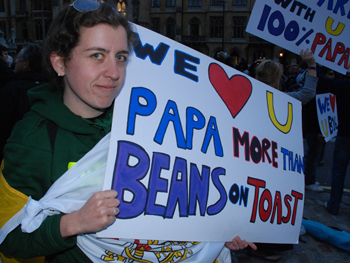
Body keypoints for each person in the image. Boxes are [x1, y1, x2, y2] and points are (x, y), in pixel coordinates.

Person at [0, 1, 255, 262]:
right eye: (97, 55)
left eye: (120, 57)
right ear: (60, 62)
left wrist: (216, 228)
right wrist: (73, 223)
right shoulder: (33, 140)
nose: (113, 73)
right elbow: (9, 241)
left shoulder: (150, 122)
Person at [248, 49, 317, 261]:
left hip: (254, 160)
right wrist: (312, 65)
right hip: (272, 163)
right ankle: (264, 246)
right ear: (277, 78)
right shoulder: (283, 100)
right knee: (269, 203)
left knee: (255, 201)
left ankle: (254, 242)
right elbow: (307, 93)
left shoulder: (250, 96)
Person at [0, 43, 49, 162]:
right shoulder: (52, 87)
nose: (15, 61)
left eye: (18, 58)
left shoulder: (11, 89)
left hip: (15, 154)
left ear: (26, 63)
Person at [316, 68, 350, 215]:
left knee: (338, 172)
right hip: (343, 134)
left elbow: (322, 83)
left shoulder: (345, 85)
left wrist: (314, 63)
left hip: (345, 134)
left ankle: (334, 205)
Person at [302, 66, 335, 192]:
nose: (332, 77)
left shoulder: (325, 92)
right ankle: (309, 181)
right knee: (313, 155)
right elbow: (312, 113)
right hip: (315, 130)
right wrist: (317, 130)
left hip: (319, 129)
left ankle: (310, 179)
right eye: (330, 74)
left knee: (314, 155)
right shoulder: (316, 92)